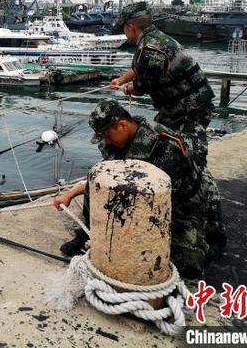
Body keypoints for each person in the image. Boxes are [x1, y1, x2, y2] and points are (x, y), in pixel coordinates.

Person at [52, 99, 225, 279]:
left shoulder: (165, 148)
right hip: (149, 194)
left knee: (185, 264)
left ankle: (208, 234)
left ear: (122, 125)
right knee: (98, 177)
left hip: (182, 203)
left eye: (107, 135)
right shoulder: (116, 141)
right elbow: (104, 177)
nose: (106, 141)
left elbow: (163, 200)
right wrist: (69, 195)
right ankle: (88, 234)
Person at [109, 2, 215, 169]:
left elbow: (139, 89)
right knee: (161, 136)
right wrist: (121, 80)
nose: (124, 32)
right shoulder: (155, 38)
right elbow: (138, 68)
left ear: (130, 26)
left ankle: (197, 185)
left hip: (189, 109)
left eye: (124, 28)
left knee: (187, 154)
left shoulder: (149, 49)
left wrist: (128, 88)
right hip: (182, 105)